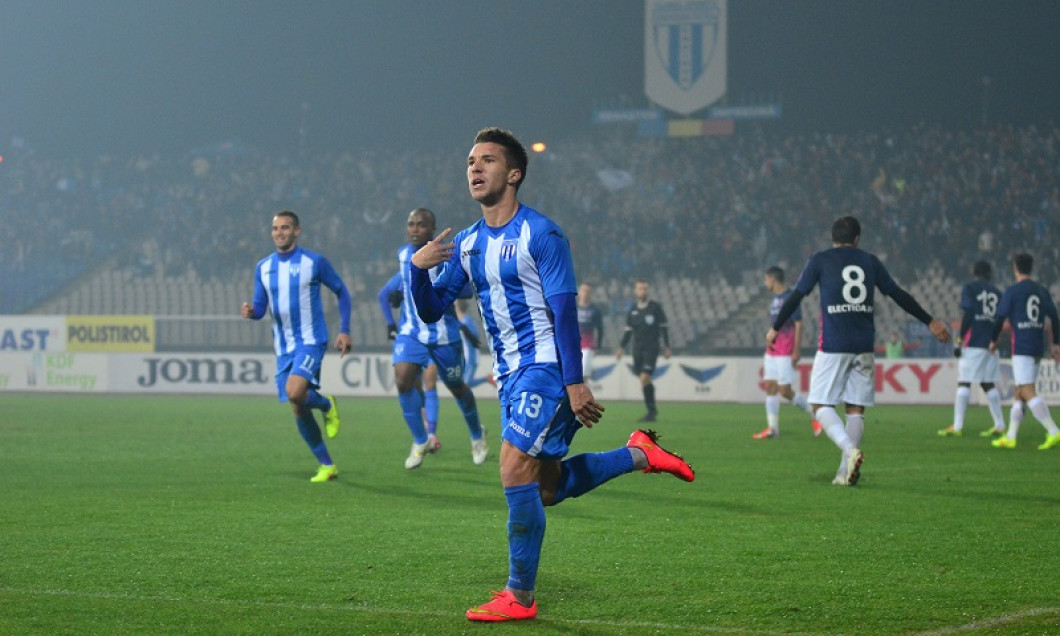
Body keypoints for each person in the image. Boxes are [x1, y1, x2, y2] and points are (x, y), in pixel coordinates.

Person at [409, 127, 694, 622]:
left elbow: (563, 311)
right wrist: (418, 269)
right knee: (544, 488)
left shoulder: (542, 234)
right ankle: (638, 454)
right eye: (471, 162)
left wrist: (574, 379)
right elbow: (433, 310)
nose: (474, 168)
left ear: (514, 174)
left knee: (512, 468)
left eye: (488, 161)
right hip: (510, 376)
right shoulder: (470, 243)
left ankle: (519, 596)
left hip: (546, 368)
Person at [767, 216, 950, 486]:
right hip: (864, 345)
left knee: (819, 405)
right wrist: (930, 320)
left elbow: (797, 295)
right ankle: (845, 473)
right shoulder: (870, 261)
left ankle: (849, 451)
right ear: (857, 239)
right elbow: (897, 294)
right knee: (855, 409)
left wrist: (775, 326)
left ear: (833, 238)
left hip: (833, 344)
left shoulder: (820, 260)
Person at [241, 210, 350, 483]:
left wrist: (344, 330)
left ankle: (325, 404)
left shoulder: (314, 262)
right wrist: (251, 311)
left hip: (311, 340)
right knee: (297, 405)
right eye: (276, 228)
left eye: (285, 228)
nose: (280, 232)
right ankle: (327, 464)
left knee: (294, 391)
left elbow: (342, 291)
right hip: (284, 347)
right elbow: (260, 308)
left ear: (297, 231)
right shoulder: (263, 268)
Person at [378, 207, 487, 468]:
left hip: (442, 334)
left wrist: (450, 291)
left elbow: (462, 289)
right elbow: (395, 287)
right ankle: (420, 439)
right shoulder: (405, 255)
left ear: (433, 230)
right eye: (411, 223)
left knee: (456, 386)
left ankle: (476, 434)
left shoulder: (446, 257)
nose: (414, 228)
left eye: (421, 224)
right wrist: (398, 303)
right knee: (403, 381)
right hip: (411, 333)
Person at [989, 253, 1060, 450]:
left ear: (1015, 268)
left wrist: (993, 341)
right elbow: (1054, 317)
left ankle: (1054, 431)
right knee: (1019, 391)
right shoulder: (1041, 290)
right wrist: (1056, 344)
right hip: (1038, 345)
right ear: (1031, 268)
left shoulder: (1012, 291)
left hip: (1021, 346)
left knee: (1027, 390)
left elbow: (999, 318)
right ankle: (1011, 436)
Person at [938, 261, 1006, 438]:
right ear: (989, 273)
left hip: (974, 341)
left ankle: (958, 426)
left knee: (964, 382)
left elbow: (968, 314)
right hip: (990, 343)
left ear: (974, 272)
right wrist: (995, 338)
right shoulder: (997, 292)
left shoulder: (969, 288)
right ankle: (1000, 425)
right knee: (987, 382)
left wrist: (959, 340)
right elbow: (1000, 318)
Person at [753, 266, 821, 440]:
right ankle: (773, 429)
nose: (765, 283)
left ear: (773, 279)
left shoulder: (790, 298)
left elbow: (798, 324)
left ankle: (815, 415)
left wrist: (796, 350)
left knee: (784, 391)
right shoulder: (775, 299)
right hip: (772, 350)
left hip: (785, 350)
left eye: (766, 279)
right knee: (770, 387)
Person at [615, 279, 671, 422]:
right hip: (637, 350)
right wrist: (621, 347)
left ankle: (651, 411)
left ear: (648, 290)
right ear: (636, 291)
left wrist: (667, 346)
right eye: (640, 289)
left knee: (644, 377)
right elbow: (628, 331)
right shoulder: (633, 310)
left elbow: (664, 328)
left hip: (652, 348)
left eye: (645, 289)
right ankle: (651, 410)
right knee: (644, 380)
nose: (643, 291)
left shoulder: (655, 308)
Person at [576, 282, 605, 383]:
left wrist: (598, 346)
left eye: (588, 291)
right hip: (572, 346)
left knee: (583, 377)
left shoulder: (595, 310)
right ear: (579, 292)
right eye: (583, 290)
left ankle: (582, 398)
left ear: (591, 294)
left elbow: (600, 329)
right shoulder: (572, 308)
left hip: (587, 346)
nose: (585, 293)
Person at [454, 298, 484, 387]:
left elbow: (476, 340)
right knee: (463, 384)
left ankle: (486, 379)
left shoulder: (468, 322)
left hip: (471, 358)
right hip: (464, 359)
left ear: (457, 308)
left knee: (464, 386)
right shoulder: (461, 322)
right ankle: (486, 378)